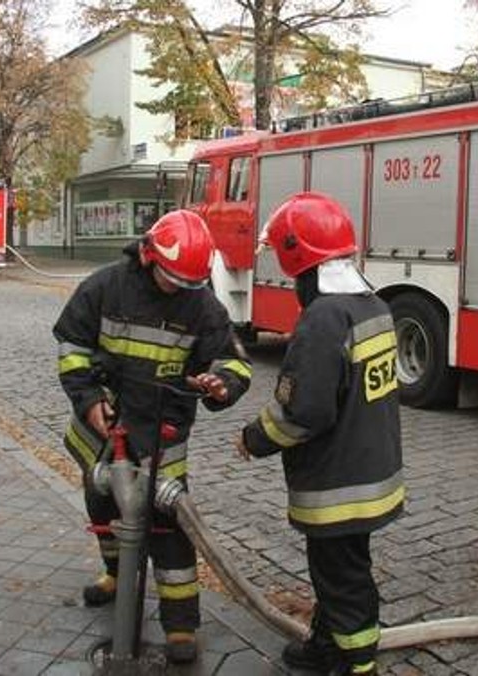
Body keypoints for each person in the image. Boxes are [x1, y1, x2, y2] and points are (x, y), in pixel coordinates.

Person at [52, 210, 252, 664]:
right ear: (147, 256)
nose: (179, 290)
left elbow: (235, 362)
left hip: (162, 439)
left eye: (189, 283)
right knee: (102, 507)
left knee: (169, 530)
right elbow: (72, 347)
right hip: (103, 431)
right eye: (172, 279)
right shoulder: (104, 288)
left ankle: (181, 625)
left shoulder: (201, 304)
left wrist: (222, 384)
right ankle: (115, 576)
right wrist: (87, 399)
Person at [236, 192, 404, 676]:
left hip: (339, 486)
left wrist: (253, 439)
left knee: (343, 581)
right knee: (339, 573)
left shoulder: (322, 320)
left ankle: (355, 662)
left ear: (297, 257)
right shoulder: (373, 305)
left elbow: (303, 413)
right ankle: (326, 647)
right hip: (373, 471)